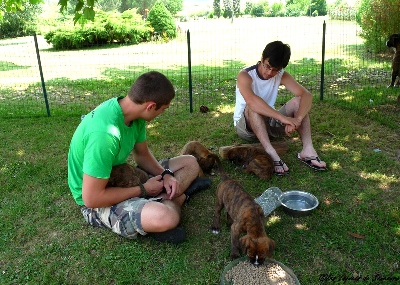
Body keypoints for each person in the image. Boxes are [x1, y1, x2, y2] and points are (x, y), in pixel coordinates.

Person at [68, 71, 210, 244]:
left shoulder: (134, 114)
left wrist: (165, 174)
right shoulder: (104, 135)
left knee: (190, 163)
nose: (162, 113)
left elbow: (142, 156)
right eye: (163, 109)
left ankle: (160, 201)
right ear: (150, 106)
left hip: (119, 175)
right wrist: (143, 190)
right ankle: (177, 198)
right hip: (95, 200)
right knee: (166, 218)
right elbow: (91, 198)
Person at [233, 40, 327, 175]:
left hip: (268, 123)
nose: (269, 72)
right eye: (267, 66)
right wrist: (284, 118)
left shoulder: (281, 75)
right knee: (252, 106)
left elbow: (306, 95)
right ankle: (271, 152)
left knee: (298, 101)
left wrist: (297, 119)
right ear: (262, 59)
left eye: (275, 70)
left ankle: (308, 149)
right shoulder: (245, 75)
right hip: (246, 127)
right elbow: (252, 101)